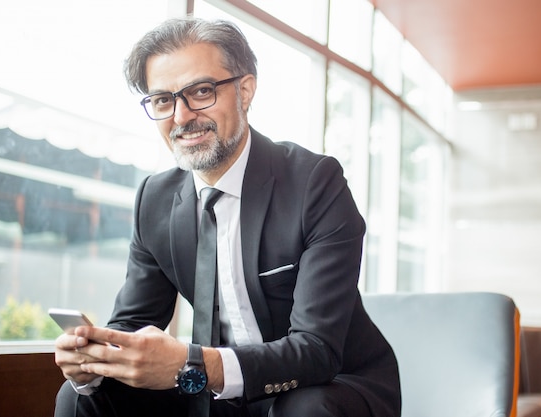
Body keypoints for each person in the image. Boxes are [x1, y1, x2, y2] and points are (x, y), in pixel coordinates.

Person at [53, 17, 401, 417]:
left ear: (245, 90)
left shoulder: (314, 183)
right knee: (82, 397)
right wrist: (94, 361)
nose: (182, 116)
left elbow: (317, 350)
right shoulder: (155, 198)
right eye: (163, 100)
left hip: (331, 386)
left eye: (201, 91)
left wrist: (193, 363)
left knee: (304, 408)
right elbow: (132, 325)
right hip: (210, 392)